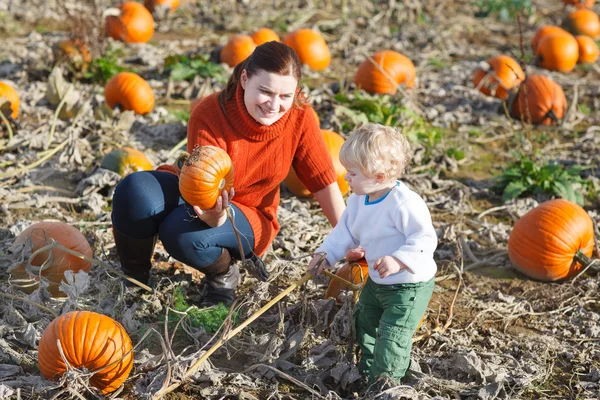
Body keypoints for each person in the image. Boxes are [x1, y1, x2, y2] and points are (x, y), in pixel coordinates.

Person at [111, 41, 346, 307]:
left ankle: (223, 276)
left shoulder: (300, 117)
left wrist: (348, 236)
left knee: (181, 232)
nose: (274, 105)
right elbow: (201, 180)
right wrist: (213, 214)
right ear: (245, 79)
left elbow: (324, 182)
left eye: (285, 96)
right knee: (134, 190)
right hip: (198, 191)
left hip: (252, 214)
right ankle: (135, 279)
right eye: (266, 91)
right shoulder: (210, 113)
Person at [308, 123, 437, 385]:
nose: (346, 178)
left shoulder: (404, 203)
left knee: (392, 335)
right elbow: (344, 233)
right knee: (365, 322)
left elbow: (424, 238)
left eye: (352, 173)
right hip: (377, 282)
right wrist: (325, 255)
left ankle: (384, 383)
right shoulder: (358, 201)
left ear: (378, 175)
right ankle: (367, 370)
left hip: (408, 287)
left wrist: (399, 260)